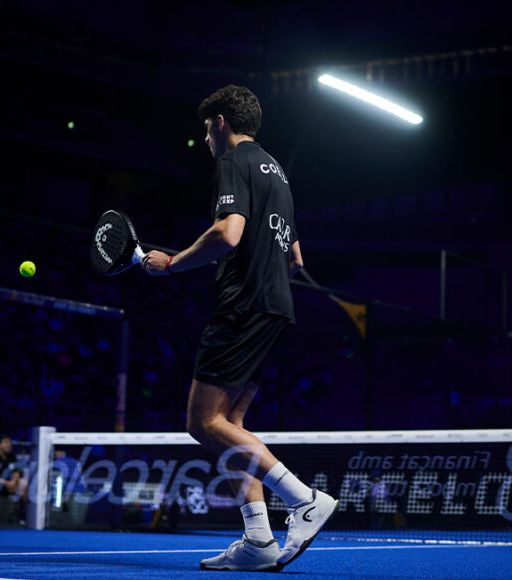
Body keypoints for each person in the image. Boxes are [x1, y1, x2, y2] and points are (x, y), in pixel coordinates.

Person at [142, 85, 337, 572]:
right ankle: (258, 540)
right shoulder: (279, 173)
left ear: (222, 122)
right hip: (274, 307)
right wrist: (263, 285)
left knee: (202, 423)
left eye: (207, 129)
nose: (206, 139)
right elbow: (294, 257)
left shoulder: (233, 162)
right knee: (230, 427)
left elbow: (227, 233)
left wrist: (171, 265)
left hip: (243, 307)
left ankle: (304, 499)